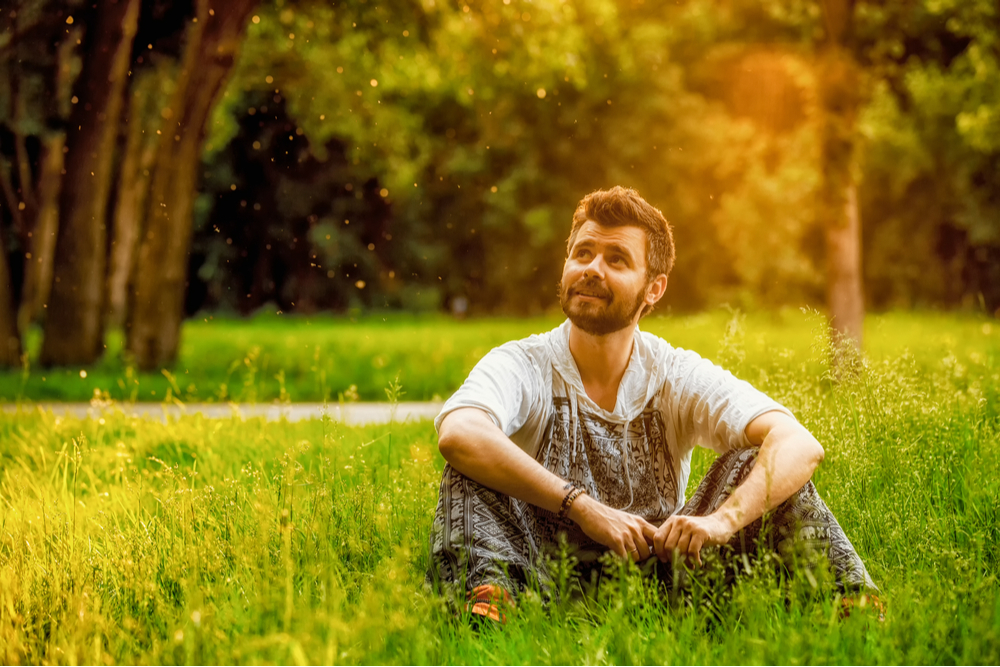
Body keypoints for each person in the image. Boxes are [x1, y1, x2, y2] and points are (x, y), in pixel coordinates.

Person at [427, 186, 878, 624]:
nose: (592, 269)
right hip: (539, 580)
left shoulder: (674, 372)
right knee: (470, 463)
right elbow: (459, 432)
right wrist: (581, 506)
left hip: (667, 587)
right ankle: (489, 612)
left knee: (759, 459)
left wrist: (722, 522)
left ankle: (854, 615)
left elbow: (799, 443)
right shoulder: (522, 362)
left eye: (616, 259)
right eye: (582, 253)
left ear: (654, 289)